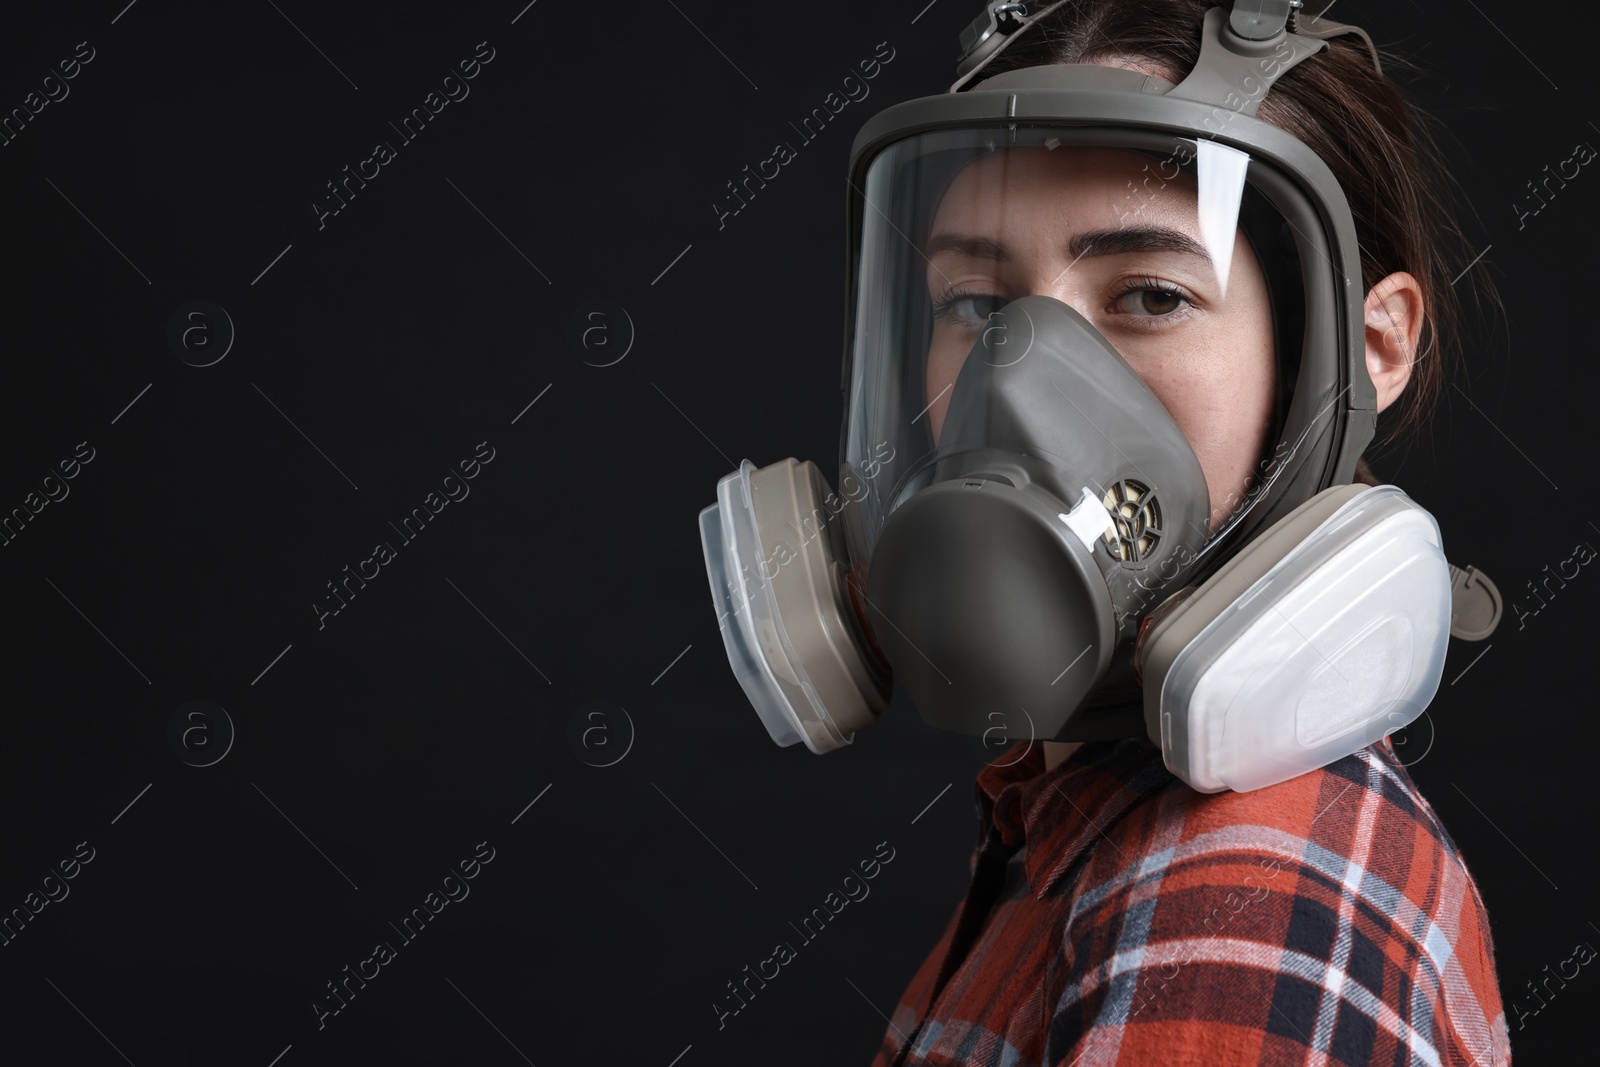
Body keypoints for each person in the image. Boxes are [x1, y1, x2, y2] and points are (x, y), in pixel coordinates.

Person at [699, 2, 1508, 1064]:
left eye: (1152, 294)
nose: (1017, 386)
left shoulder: (1236, 912)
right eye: (977, 307)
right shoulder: (1074, 824)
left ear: (1367, 347)